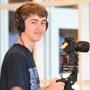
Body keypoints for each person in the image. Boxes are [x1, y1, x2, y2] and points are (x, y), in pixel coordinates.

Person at [0, 2, 65, 90]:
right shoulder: (17, 56)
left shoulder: (25, 53)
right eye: (33, 22)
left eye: (43, 22)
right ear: (21, 25)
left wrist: (47, 87)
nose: (40, 28)